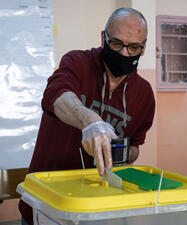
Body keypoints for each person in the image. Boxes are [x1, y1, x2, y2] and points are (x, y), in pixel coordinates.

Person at [19, 8, 155, 225]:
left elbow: (136, 146)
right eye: (117, 43)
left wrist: (121, 151)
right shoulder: (77, 63)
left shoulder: (144, 94)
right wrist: (90, 121)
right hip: (47, 204)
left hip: (100, 209)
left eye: (134, 47)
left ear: (144, 47)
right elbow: (56, 94)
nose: (124, 53)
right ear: (104, 37)